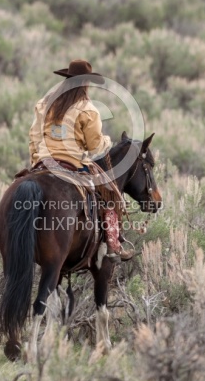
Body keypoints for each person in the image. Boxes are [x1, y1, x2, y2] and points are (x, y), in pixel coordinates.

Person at [29, 59, 134, 261]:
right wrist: (107, 141)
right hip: (73, 164)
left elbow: (34, 137)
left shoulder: (44, 104)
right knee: (110, 196)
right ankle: (113, 245)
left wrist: (36, 162)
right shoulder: (88, 109)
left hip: (43, 162)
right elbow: (95, 147)